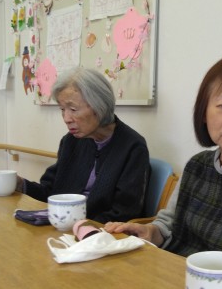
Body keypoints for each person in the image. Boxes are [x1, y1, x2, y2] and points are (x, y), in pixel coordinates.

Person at [105, 54, 222, 284]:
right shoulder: (196, 165)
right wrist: (151, 232)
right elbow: (167, 224)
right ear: (204, 112)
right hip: (169, 278)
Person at [17, 67, 150, 222]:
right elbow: (51, 193)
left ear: (99, 106)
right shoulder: (70, 141)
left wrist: (80, 226)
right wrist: (21, 185)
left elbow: (124, 213)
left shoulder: (132, 147)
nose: (66, 118)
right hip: (64, 225)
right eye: (62, 109)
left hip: (100, 231)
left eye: (73, 109)